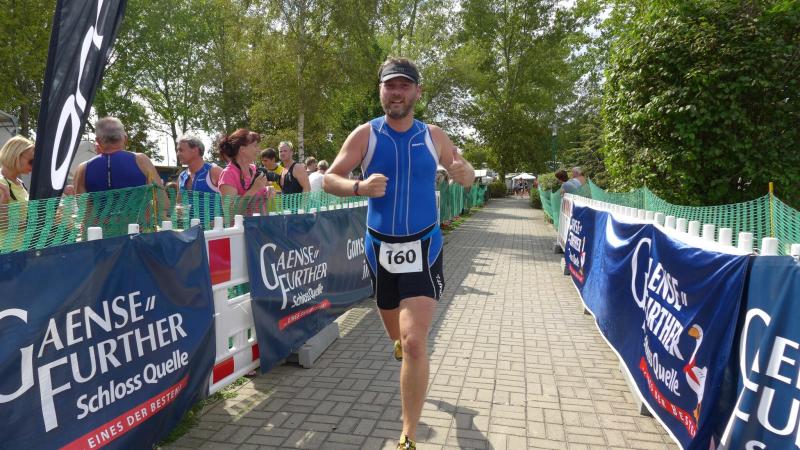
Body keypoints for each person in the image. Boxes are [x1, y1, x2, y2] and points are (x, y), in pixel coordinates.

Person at [323, 57, 474, 450]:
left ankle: (408, 434)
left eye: (404, 86)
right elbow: (330, 179)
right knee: (397, 334)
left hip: (424, 246)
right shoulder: (366, 134)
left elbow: (463, 168)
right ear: (381, 91)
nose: (396, 93)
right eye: (390, 85)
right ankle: (399, 345)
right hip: (380, 248)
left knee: (414, 342)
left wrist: (466, 174)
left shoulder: (433, 135)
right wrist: (358, 187)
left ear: (417, 92)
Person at [74, 117, 163, 194]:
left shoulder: (83, 169)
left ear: (98, 141)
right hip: (138, 209)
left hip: (101, 209)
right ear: (125, 138)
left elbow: (83, 206)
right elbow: (162, 202)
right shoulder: (142, 161)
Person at [217, 129, 272, 215]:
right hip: (242, 224)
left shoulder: (254, 169)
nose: (259, 150)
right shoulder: (228, 174)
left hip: (262, 222)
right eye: (255, 146)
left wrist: (269, 191)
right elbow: (230, 213)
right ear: (242, 149)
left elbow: (261, 198)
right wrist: (253, 189)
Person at [0, 136, 35, 205]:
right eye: (32, 161)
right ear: (16, 156)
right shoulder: (1, 182)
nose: (34, 166)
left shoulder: (19, 182)